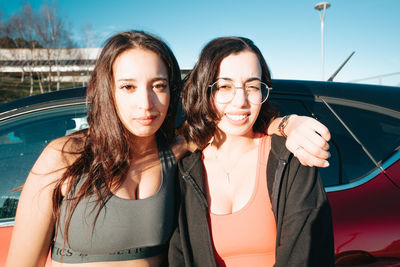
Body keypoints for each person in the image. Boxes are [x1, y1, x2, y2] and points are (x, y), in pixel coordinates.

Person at [6, 31, 331, 267]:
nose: (145, 103)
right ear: (108, 90)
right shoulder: (65, 156)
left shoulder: (176, 153)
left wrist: (288, 124)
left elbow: (237, 121)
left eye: (159, 86)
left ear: (172, 90)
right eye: (129, 87)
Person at [168, 36, 335, 267]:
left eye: (253, 86)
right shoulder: (184, 170)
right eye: (224, 86)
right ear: (204, 92)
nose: (241, 101)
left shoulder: (289, 158)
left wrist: (288, 123)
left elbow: (308, 257)